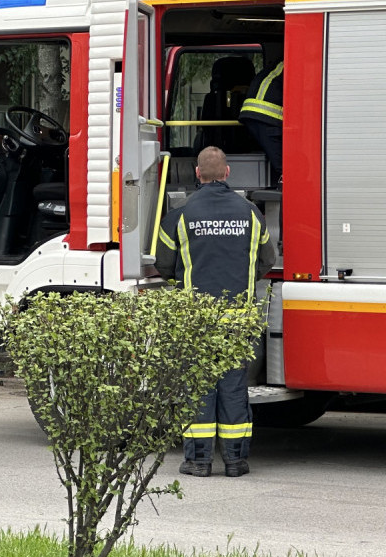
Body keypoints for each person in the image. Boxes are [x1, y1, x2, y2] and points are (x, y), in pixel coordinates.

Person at [155, 146, 277, 478]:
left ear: (198, 174)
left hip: (196, 319)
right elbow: (267, 259)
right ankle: (236, 461)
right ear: (226, 174)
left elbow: (163, 264)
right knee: (234, 386)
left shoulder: (179, 216)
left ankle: (198, 461)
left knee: (198, 386)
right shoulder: (251, 213)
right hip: (238, 318)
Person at [239, 60, 284, 184]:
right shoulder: (293, 62)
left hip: (256, 113)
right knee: (285, 168)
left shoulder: (281, 64)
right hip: (265, 114)